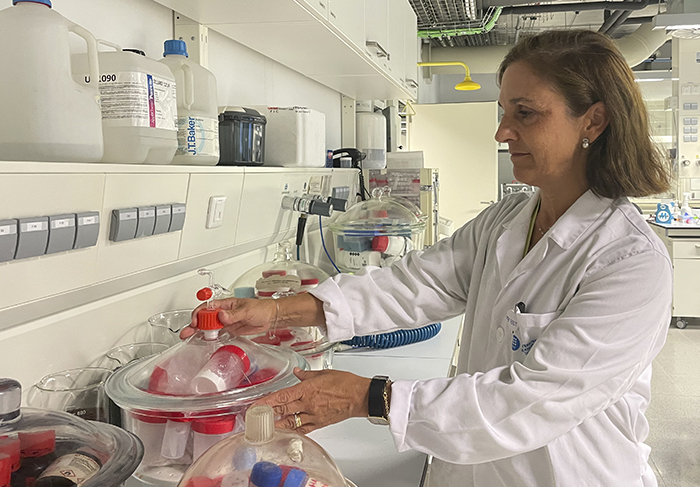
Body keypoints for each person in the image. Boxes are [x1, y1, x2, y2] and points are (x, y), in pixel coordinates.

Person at [185, 30, 673, 486]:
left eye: (525, 113)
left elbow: (531, 401)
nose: (502, 132)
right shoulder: (508, 219)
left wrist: (366, 396)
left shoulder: (629, 261)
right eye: (503, 112)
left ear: (593, 120)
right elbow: (418, 283)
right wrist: (276, 312)